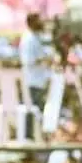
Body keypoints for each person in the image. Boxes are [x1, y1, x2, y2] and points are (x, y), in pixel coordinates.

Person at [19, 12, 51, 140]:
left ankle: (35, 135)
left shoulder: (37, 37)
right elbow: (28, 61)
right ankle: (29, 137)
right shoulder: (29, 39)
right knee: (32, 110)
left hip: (39, 80)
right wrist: (44, 60)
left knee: (38, 110)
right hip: (32, 81)